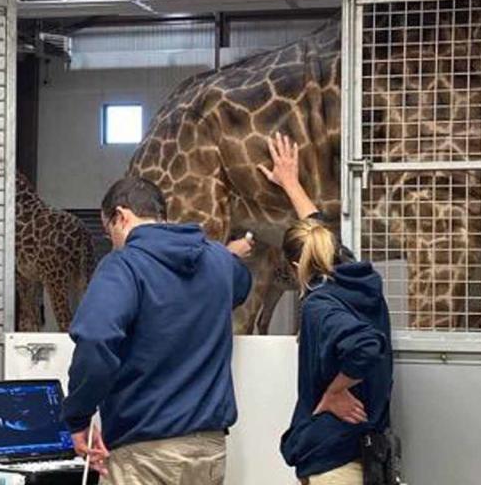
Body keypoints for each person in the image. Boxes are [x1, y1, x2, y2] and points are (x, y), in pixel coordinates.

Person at [61, 176, 253, 484]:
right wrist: (225, 256)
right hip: (209, 451)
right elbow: (241, 284)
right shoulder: (217, 260)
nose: (112, 241)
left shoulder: (123, 266)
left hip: (146, 453)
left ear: (121, 216)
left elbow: (96, 341)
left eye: (109, 230)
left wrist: (78, 418)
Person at [259, 133, 394, 485]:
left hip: (333, 460)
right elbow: (317, 224)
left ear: (293, 265)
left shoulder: (320, 304)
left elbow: (364, 346)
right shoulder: (356, 278)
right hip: (361, 449)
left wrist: (335, 391)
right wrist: (290, 182)